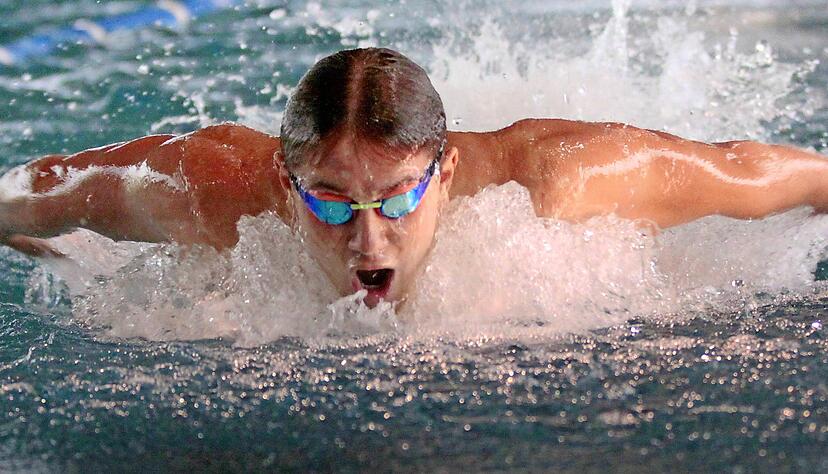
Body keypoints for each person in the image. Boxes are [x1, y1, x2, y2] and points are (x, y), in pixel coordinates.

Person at [1, 47, 826, 307]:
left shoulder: (556, 186)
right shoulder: (211, 191)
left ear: (447, 172)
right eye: (332, 203)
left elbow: (748, 173)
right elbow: (41, 188)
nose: (368, 240)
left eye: (397, 199)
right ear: (286, 185)